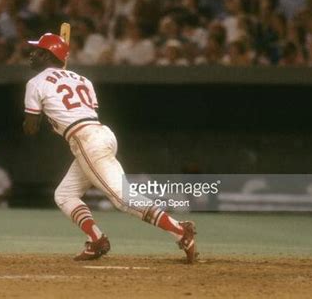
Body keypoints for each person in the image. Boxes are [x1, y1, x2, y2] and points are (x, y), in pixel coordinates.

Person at [23, 33, 197, 263]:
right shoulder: (83, 80)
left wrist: (45, 116)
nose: (31, 54)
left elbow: (31, 128)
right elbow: (84, 111)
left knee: (122, 198)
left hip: (85, 140)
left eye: (37, 51)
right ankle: (96, 239)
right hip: (101, 134)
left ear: (48, 55)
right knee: (65, 195)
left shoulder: (35, 83)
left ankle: (178, 230)